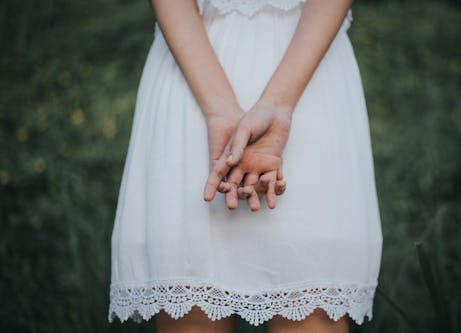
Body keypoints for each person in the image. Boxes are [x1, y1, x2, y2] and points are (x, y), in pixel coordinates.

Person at [108, 0, 383, 332]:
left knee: (310, 308)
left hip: (305, 70)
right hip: (195, 67)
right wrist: (219, 110)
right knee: (193, 308)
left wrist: (277, 103)